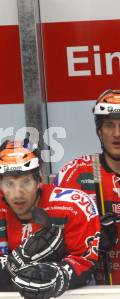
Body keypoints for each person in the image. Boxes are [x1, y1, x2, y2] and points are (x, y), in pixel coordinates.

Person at [0, 139, 100, 299]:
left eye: (25, 181)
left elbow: (86, 263)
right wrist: (21, 261)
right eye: (9, 183)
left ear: (39, 179)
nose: (18, 193)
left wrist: (59, 275)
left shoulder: (74, 206)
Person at [54, 89, 120, 285]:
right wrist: (90, 236)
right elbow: (50, 237)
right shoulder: (76, 174)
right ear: (98, 131)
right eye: (109, 125)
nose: (117, 133)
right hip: (95, 290)